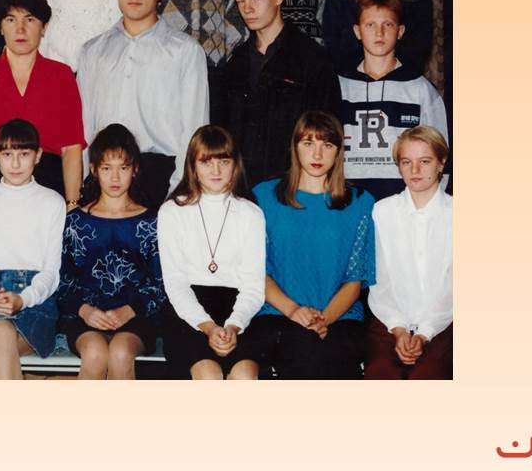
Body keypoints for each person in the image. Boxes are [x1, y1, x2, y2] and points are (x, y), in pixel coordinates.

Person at [247, 111, 376, 379]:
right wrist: (294, 310)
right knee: (303, 350)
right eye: (308, 143)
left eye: (327, 145)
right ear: (295, 147)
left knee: (333, 360)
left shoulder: (360, 202)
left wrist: (322, 320)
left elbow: (355, 279)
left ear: (338, 151)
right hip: (278, 313)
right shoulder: (264, 196)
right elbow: (255, 269)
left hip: (340, 317)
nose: (317, 154)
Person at [78, 0, 209, 206]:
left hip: (161, 178)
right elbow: (84, 126)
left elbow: (195, 128)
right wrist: (84, 185)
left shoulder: (185, 51)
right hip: (104, 177)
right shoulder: (93, 52)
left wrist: (178, 191)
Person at [0, 0, 85, 205]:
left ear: (43, 27)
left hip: (50, 191)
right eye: (11, 20)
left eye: (30, 19)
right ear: (0, 27)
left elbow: (72, 148)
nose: (20, 29)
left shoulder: (61, 75)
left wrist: (72, 205)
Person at [214, 0, 341, 186]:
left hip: (291, 184)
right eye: (241, 1)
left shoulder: (312, 58)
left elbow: (328, 130)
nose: (247, 9)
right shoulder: (235, 62)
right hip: (242, 185)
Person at [58, 124, 166, 380]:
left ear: (135, 169)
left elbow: (161, 284)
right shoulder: (76, 221)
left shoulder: (152, 222)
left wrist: (128, 310)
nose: (115, 178)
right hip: (87, 316)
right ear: (94, 170)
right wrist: (85, 311)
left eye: (123, 168)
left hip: (136, 317)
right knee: (95, 352)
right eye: (107, 168)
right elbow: (62, 282)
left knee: (120, 352)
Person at [158, 126, 265, 380]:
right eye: (206, 162)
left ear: (235, 165)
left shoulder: (251, 213)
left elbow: (253, 286)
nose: (216, 171)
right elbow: (175, 284)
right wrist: (208, 327)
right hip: (188, 309)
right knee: (209, 376)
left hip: (239, 309)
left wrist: (233, 326)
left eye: (224, 161)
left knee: (245, 376)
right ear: (193, 166)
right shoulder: (172, 211)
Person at [0, 119, 66, 379]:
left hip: (37, 300)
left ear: (38, 155)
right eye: (8, 154)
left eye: (24, 154)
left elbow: (52, 270)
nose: (16, 163)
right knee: (1, 333)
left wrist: (25, 299)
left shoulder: (52, 202)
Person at [339, 0, 449, 200]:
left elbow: (440, 155)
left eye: (388, 25)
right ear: (357, 31)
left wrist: (430, 204)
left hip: (402, 200)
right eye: (370, 25)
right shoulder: (340, 86)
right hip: (349, 200)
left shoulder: (419, 89)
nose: (379, 33)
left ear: (400, 31)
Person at [366, 126, 452, 380]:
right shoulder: (381, 212)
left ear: (441, 163)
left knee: (428, 375)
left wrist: (424, 333)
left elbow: (453, 286)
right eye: (406, 162)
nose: (415, 170)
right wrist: (399, 329)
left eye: (424, 161)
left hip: (445, 322)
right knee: (380, 373)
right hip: (390, 320)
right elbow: (379, 279)